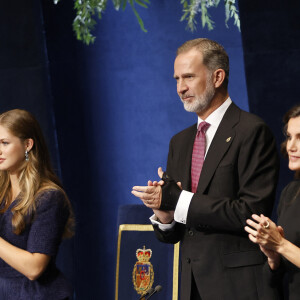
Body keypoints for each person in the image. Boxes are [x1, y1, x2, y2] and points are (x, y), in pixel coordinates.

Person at [131, 38, 279, 299]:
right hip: (191, 287)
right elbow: (176, 233)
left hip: (239, 287)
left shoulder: (252, 131)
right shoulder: (180, 142)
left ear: (218, 77)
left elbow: (252, 213)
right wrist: (164, 214)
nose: (180, 88)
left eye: (188, 77)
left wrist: (180, 201)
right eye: (176, 79)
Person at [0, 109, 74, 299]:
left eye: (5, 143)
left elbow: (34, 268)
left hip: (34, 294)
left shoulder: (49, 197)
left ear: (27, 144)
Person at [245, 104, 300, 300]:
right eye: (289, 136)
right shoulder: (291, 193)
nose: (291, 146)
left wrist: (281, 244)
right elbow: (275, 280)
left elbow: (284, 245)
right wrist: (273, 259)